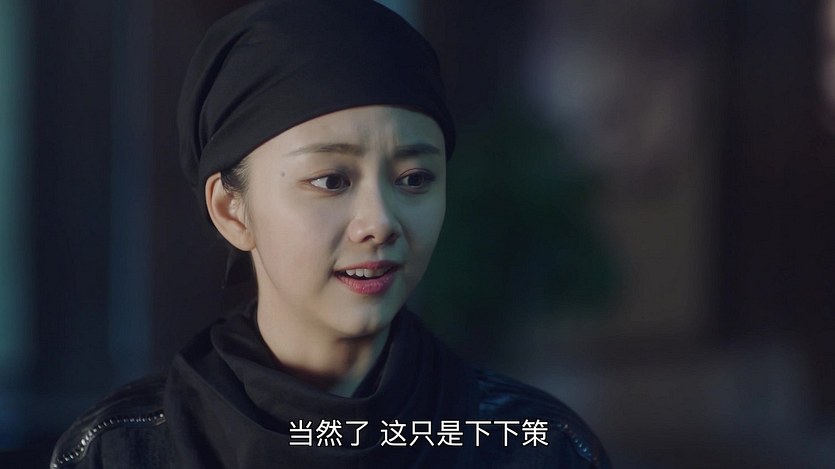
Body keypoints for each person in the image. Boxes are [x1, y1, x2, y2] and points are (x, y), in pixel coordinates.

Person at [50, 1, 610, 467]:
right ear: (231, 210)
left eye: (414, 179)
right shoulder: (122, 451)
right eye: (330, 180)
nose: (380, 222)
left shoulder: (535, 446)